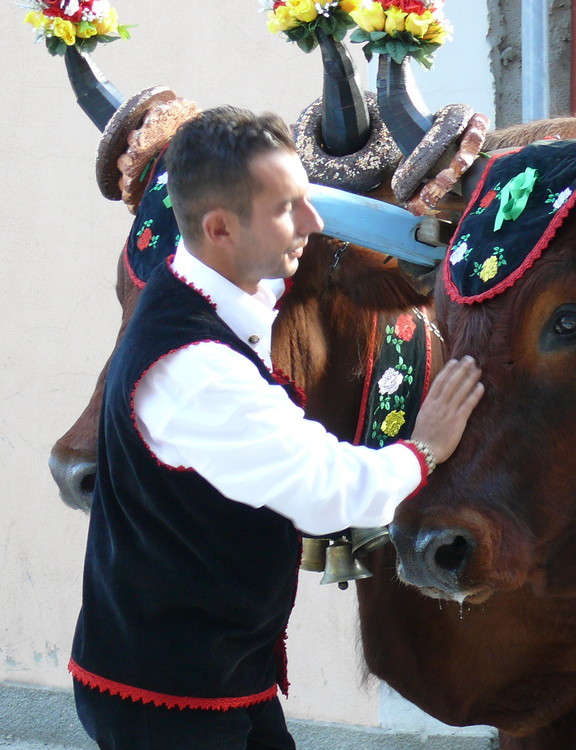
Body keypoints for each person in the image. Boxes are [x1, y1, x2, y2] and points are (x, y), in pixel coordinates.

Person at [68, 105, 484, 749]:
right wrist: (426, 447)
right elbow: (327, 493)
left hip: (222, 672)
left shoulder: (203, 288)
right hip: (167, 699)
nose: (316, 224)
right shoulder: (195, 369)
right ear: (219, 227)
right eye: (290, 208)